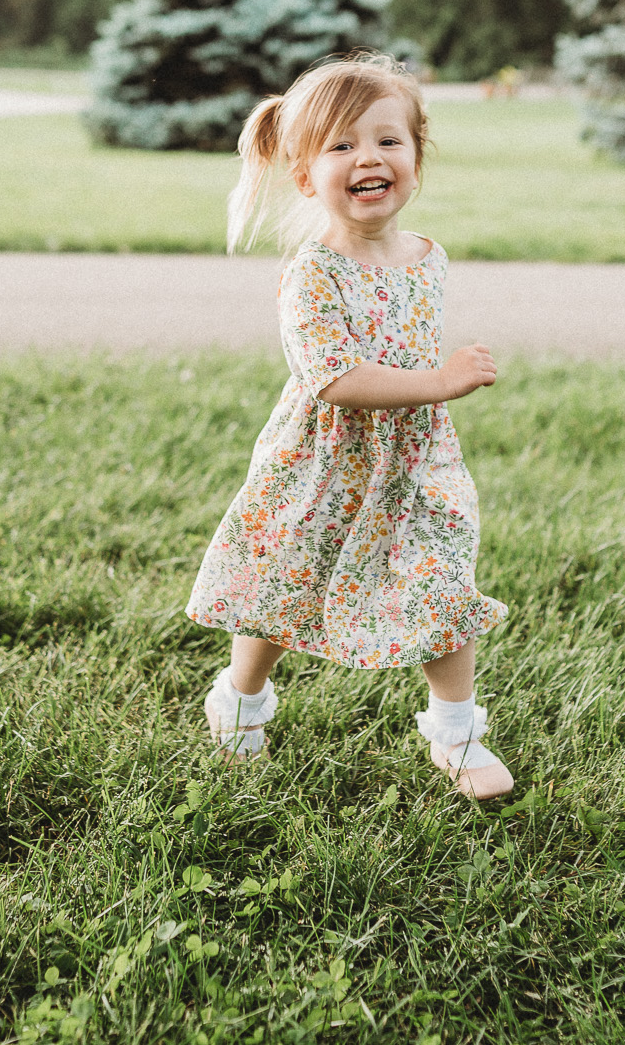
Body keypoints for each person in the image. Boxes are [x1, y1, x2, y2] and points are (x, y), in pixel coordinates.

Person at [184, 52, 513, 800]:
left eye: (388, 140)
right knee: (280, 590)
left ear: (416, 158)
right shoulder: (313, 273)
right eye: (341, 145)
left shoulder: (429, 259)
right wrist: (442, 380)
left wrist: (432, 392)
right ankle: (239, 699)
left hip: (415, 466)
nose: (368, 157)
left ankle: (457, 735)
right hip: (321, 464)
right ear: (306, 176)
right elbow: (333, 380)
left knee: (442, 583)